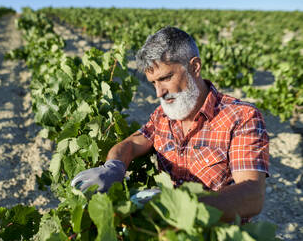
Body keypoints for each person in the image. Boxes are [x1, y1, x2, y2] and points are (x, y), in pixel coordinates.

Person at [71, 26, 269, 223]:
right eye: (153, 83)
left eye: (165, 78)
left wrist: (176, 206)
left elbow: (252, 194)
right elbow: (131, 144)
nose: (159, 93)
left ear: (195, 67)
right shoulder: (162, 116)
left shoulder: (241, 117)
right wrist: (113, 166)